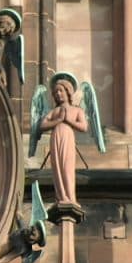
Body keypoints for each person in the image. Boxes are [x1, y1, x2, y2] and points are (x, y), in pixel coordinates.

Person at [39, 75, 88, 205]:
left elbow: (84, 127)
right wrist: (58, 120)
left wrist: (68, 120)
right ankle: (61, 196)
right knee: (58, 168)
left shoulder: (77, 110)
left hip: (67, 138)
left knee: (67, 167)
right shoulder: (55, 111)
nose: (58, 94)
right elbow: (42, 125)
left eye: (61, 91)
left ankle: (71, 197)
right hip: (56, 138)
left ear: (68, 92)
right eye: (55, 92)